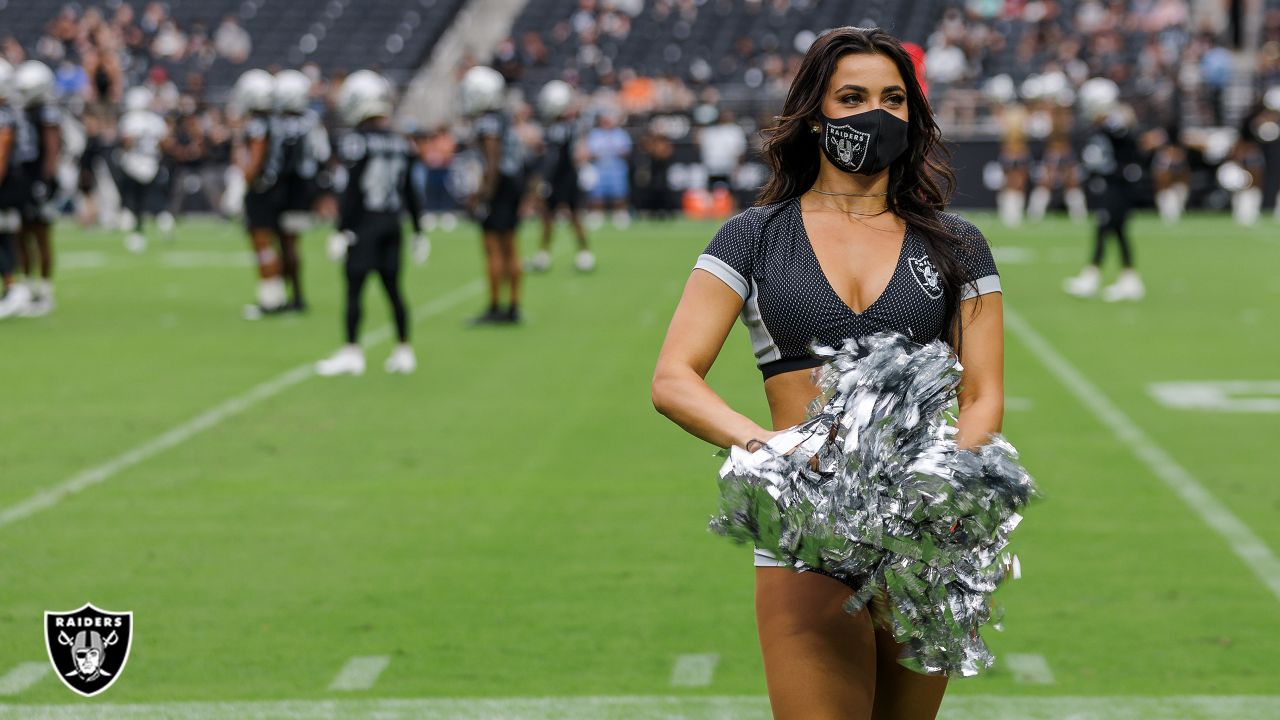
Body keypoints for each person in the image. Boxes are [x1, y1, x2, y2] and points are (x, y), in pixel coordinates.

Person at [652, 27, 1004, 720]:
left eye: (893, 98)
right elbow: (673, 378)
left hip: (926, 533)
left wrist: (942, 488)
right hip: (809, 527)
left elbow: (983, 393)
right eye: (853, 96)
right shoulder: (753, 236)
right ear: (816, 114)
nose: (876, 112)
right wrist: (772, 451)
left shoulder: (957, 242)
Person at [315, 70, 426, 377]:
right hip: (392, 223)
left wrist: (341, 229)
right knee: (394, 290)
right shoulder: (400, 142)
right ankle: (404, 349)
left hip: (365, 225)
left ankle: (352, 351)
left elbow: (352, 190)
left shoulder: (357, 142)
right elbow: (409, 190)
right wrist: (418, 229)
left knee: (355, 290)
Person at [1064, 78, 1145, 302]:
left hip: (1119, 186)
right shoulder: (1103, 126)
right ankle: (1130, 279)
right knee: (1117, 232)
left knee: (1104, 227)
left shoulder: (1117, 124)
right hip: (1111, 184)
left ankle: (1092, 275)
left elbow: (1127, 146)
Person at [460, 65, 526, 325]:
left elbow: (491, 161)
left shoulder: (487, 122)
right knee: (511, 246)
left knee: (494, 248)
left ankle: (496, 306)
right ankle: (513, 305)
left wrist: (482, 195)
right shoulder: (503, 118)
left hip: (499, 187)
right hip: (511, 184)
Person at [231, 69, 291, 317]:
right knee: (272, 244)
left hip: (261, 189)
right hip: (276, 187)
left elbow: (255, 158)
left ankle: (270, 299)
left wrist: (242, 180)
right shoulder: (276, 121)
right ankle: (275, 295)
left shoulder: (257, 125)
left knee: (262, 244)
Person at [272, 69, 332, 312]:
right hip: (302, 187)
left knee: (286, 244)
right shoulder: (311, 121)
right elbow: (323, 155)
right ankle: (292, 294)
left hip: (284, 189)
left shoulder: (279, 123)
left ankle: (293, 295)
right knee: (289, 243)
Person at [529, 80, 593, 274]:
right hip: (563, 177)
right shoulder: (562, 126)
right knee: (551, 218)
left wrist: (542, 179)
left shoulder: (563, 127)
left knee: (570, 217)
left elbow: (553, 157)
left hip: (562, 178)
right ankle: (547, 254)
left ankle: (582, 253)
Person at [14, 60, 61, 317]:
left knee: (40, 234)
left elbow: (52, 148)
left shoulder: (47, 112)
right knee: (20, 234)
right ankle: (28, 288)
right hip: (24, 180)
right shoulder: (23, 110)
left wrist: (46, 180)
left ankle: (44, 290)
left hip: (39, 181)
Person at [116, 86, 169, 253]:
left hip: (134, 162)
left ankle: (134, 223)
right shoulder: (155, 120)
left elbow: (126, 141)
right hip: (151, 162)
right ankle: (163, 219)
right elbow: (164, 143)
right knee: (152, 195)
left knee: (134, 197)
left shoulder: (130, 120)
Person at [0, 59, 31, 319]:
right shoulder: (14, 111)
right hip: (15, 183)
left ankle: (12, 286)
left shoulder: (4, 115)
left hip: (6, 185)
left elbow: (1, 155)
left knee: (3, 238)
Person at [584, 109, 632, 229]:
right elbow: (590, 151)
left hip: (616, 168)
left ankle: (620, 215)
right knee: (597, 194)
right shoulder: (595, 134)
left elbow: (626, 150)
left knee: (619, 194)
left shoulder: (620, 133)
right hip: (599, 168)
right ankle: (597, 214)